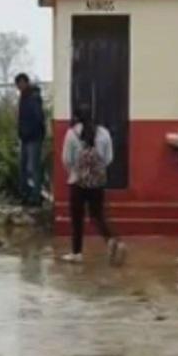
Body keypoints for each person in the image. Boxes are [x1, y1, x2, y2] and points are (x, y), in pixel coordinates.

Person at [61, 105, 125, 264]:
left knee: (77, 219)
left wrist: (75, 172)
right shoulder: (104, 133)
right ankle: (111, 239)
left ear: (76, 117)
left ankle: (77, 253)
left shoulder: (71, 134)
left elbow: (66, 159)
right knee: (97, 215)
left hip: (77, 181)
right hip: (97, 182)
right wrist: (96, 171)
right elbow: (109, 158)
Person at [15, 73, 46, 207]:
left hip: (33, 137)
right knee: (25, 168)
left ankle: (35, 196)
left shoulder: (32, 97)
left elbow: (38, 117)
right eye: (17, 84)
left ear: (25, 82)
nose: (19, 86)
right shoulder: (25, 97)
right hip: (26, 137)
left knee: (32, 168)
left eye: (20, 83)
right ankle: (27, 194)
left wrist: (33, 132)